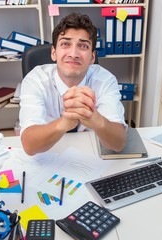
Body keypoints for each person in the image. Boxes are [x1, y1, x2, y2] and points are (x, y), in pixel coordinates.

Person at [19, 13, 127, 156]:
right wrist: (64, 123)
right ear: (53, 52)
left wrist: (97, 120)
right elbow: (30, 146)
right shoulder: (35, 80)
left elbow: (118, 144)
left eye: (83, 46)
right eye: (65, 44)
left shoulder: (105, 80)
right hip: (48, 155)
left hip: (90, 155)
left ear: (92, 57)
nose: (73, 53)